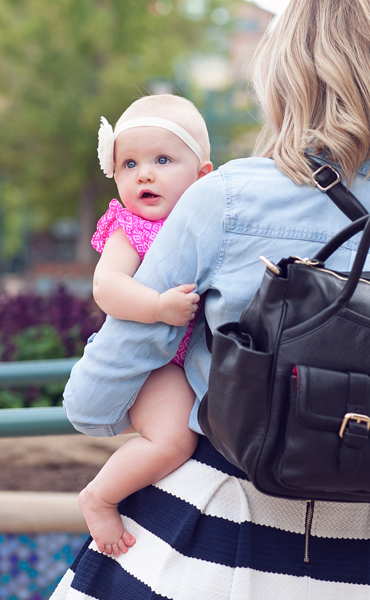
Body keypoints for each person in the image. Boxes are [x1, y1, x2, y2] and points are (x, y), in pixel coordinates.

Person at [53, 1, 370, 598]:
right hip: (359, 557)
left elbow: (92, 403)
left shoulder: (227, 197)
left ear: (283, 74)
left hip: (208, 530)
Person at [78, 94, 213, 556]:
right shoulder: (131, 227)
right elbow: (107, 287)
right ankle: (99, 496)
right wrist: (156, 306)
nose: (145, 174)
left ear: (203, 177)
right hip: (153, 362)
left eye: (162, 159)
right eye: (129, 164)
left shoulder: (211, 224)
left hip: (189, 357)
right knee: (173, 440)